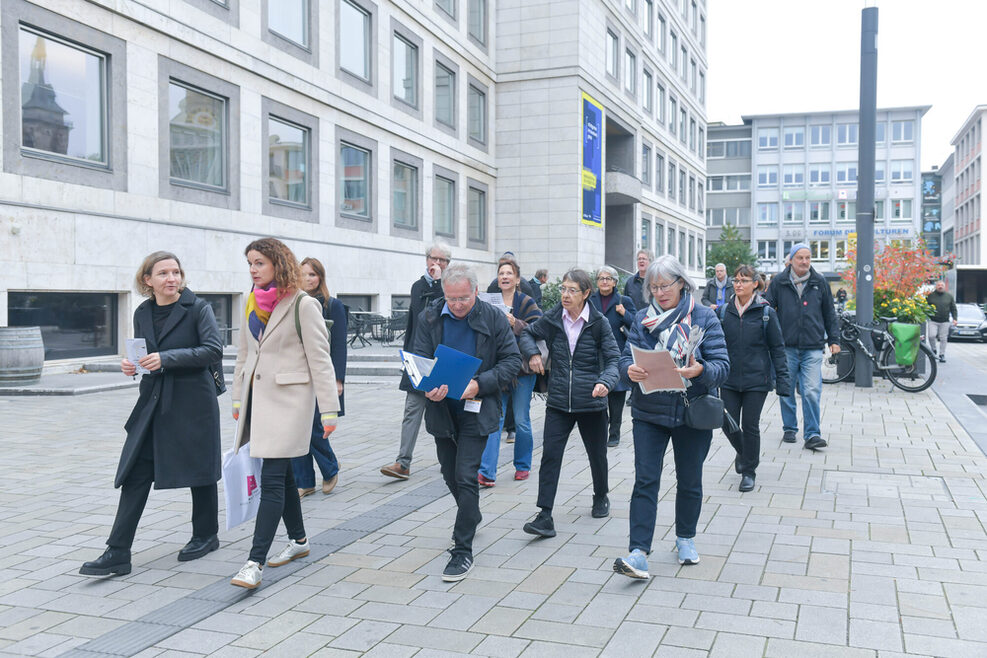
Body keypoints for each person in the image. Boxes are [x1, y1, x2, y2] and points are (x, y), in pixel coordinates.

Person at [80, 252, 223, 577]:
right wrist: (132, 365)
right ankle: (117, 551)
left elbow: (213, 350)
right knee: (135, 472)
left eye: (176, 272)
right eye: (163, 273)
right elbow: (144, 353)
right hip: (154, 402)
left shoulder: (198, 308)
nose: (171, 278)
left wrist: (166, 359)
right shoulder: (143, 311)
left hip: (193, 402)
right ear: (148, 280)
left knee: (200, 470)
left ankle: (205, 534)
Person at [230, 238, 339, 589]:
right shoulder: (251, 300)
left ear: (278, 263)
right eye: (249, 263)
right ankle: (300, 541)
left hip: (290, 404)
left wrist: (329, 411)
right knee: (286, 476)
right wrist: (236, 399)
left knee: (272, 480)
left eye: (259, 262)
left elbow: (321, 359)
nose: (253, 269)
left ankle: (254, 562)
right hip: (257, 403)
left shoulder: (303, 304)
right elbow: (244, 354)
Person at [612, 256, 730, 579]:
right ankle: (638, 551)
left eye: (665, 286)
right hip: (649, 411)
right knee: (645, 479)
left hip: (691, 413)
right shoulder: (641, 319)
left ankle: (685, 538)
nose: (659, 293)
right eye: (654, 287)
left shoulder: (704, 317)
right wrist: (629, 370)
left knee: (690, 479)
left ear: (681, 283)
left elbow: (723, 365)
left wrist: (701, 370)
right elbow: (625, 357)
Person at [413, 264, 521, 581]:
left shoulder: (493, 318)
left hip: (477, 406)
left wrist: (480, 384)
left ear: (475, 291)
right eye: (451, 299)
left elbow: (512, 361)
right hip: (442, 409)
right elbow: (419, 357)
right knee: (449, 473)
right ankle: (471, 514)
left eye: (463, 298)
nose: (457, 305)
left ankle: (462, 550)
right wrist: (425, 385)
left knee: (465, 475)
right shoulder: (430, 316)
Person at [519, 269, 621, 538]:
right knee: (551, 456)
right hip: (559, 402)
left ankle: (601, 496)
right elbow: (527, 334)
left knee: (597, 455)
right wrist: (532, 355)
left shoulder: (598, 322)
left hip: (592, 401)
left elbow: (614, 360)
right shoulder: (553, 318)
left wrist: (606, 382)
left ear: (586, 294)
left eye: (571, 290)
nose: (565, 294)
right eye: (563, 288)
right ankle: (544, 515)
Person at [381, 243, 451, 480]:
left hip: (443, 358)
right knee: (412, 410)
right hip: (418, 357)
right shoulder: (418, 287)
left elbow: (444, 310)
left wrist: (441, 283)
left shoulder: (451, 287)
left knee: (446, 412)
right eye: (435, 259)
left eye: (443, 261)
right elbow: (423, 315)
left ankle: (451, 460)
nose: (438, 264)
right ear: (427, 259)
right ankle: (403, 462)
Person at [718, 265, 791, 492]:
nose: (738, 284)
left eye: (744, 280)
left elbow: (777, 348)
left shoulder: (766, 313)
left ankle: (749, 471)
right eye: (736, 280)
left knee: (750, 426)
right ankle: (744, 452)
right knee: (726, 422)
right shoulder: (723, 312)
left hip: (756, 380)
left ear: (755, 284)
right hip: (728, 379)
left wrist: (783, 381)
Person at [765, 243, 840, 451]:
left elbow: (829, 313)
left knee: (811, 391)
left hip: (813, 346)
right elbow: (767, 310)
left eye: (808, 258)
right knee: (786, 389)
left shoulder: (819, 282)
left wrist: (834, 340)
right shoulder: (779, 282)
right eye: (800, 258)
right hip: (786, 346)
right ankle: (790, 427)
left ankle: (813, 434)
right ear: (791, 260)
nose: (805, 262)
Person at [478, 258, 542, 486]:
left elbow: (538, 328)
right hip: (497, 369)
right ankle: (486, 471)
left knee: (522, 419)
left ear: (517, 279)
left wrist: (515, 321)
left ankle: (523, 465)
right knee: (494, 419)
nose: (504, 277)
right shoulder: (487, 302)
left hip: (523, 371)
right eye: (501, 273)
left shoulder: (526, 301)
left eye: (509, 273)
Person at [292, 257, 347, 498]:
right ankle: (304, 482)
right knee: (296, 429)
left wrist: (338, 379)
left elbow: (339, 346)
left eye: (312, 275)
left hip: (323, 375)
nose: (308, 279)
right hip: (298, 375)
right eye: (303, 274)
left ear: (320, 277)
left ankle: (330, 468)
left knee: (315, 428)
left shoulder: (332, 305)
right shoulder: (293, 303)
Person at [588, 265, 637, 447]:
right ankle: (600, 430)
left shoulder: (624, 301)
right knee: (598, 394)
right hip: (594, 352)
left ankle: (614, 432)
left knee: (616, 395)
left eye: (608, 278)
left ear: (615, 282)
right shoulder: (590, 300)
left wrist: (624, 314)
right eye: (601, 278)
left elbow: (637, 324)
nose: (605, 281)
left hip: (617, 352)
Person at [925, 280, 957, 363]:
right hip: (933, 320)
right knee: (931, 336)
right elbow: (925, 306)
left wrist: (955, 318)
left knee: (943, 338)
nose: (940, 286)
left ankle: (942, 354)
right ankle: (933, 349)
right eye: (938, 285)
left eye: (942, 285)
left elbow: (953, 308)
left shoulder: (949, 296)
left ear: (944, 286)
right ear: (936, 286)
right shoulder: (930, 296)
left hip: (945, 321)